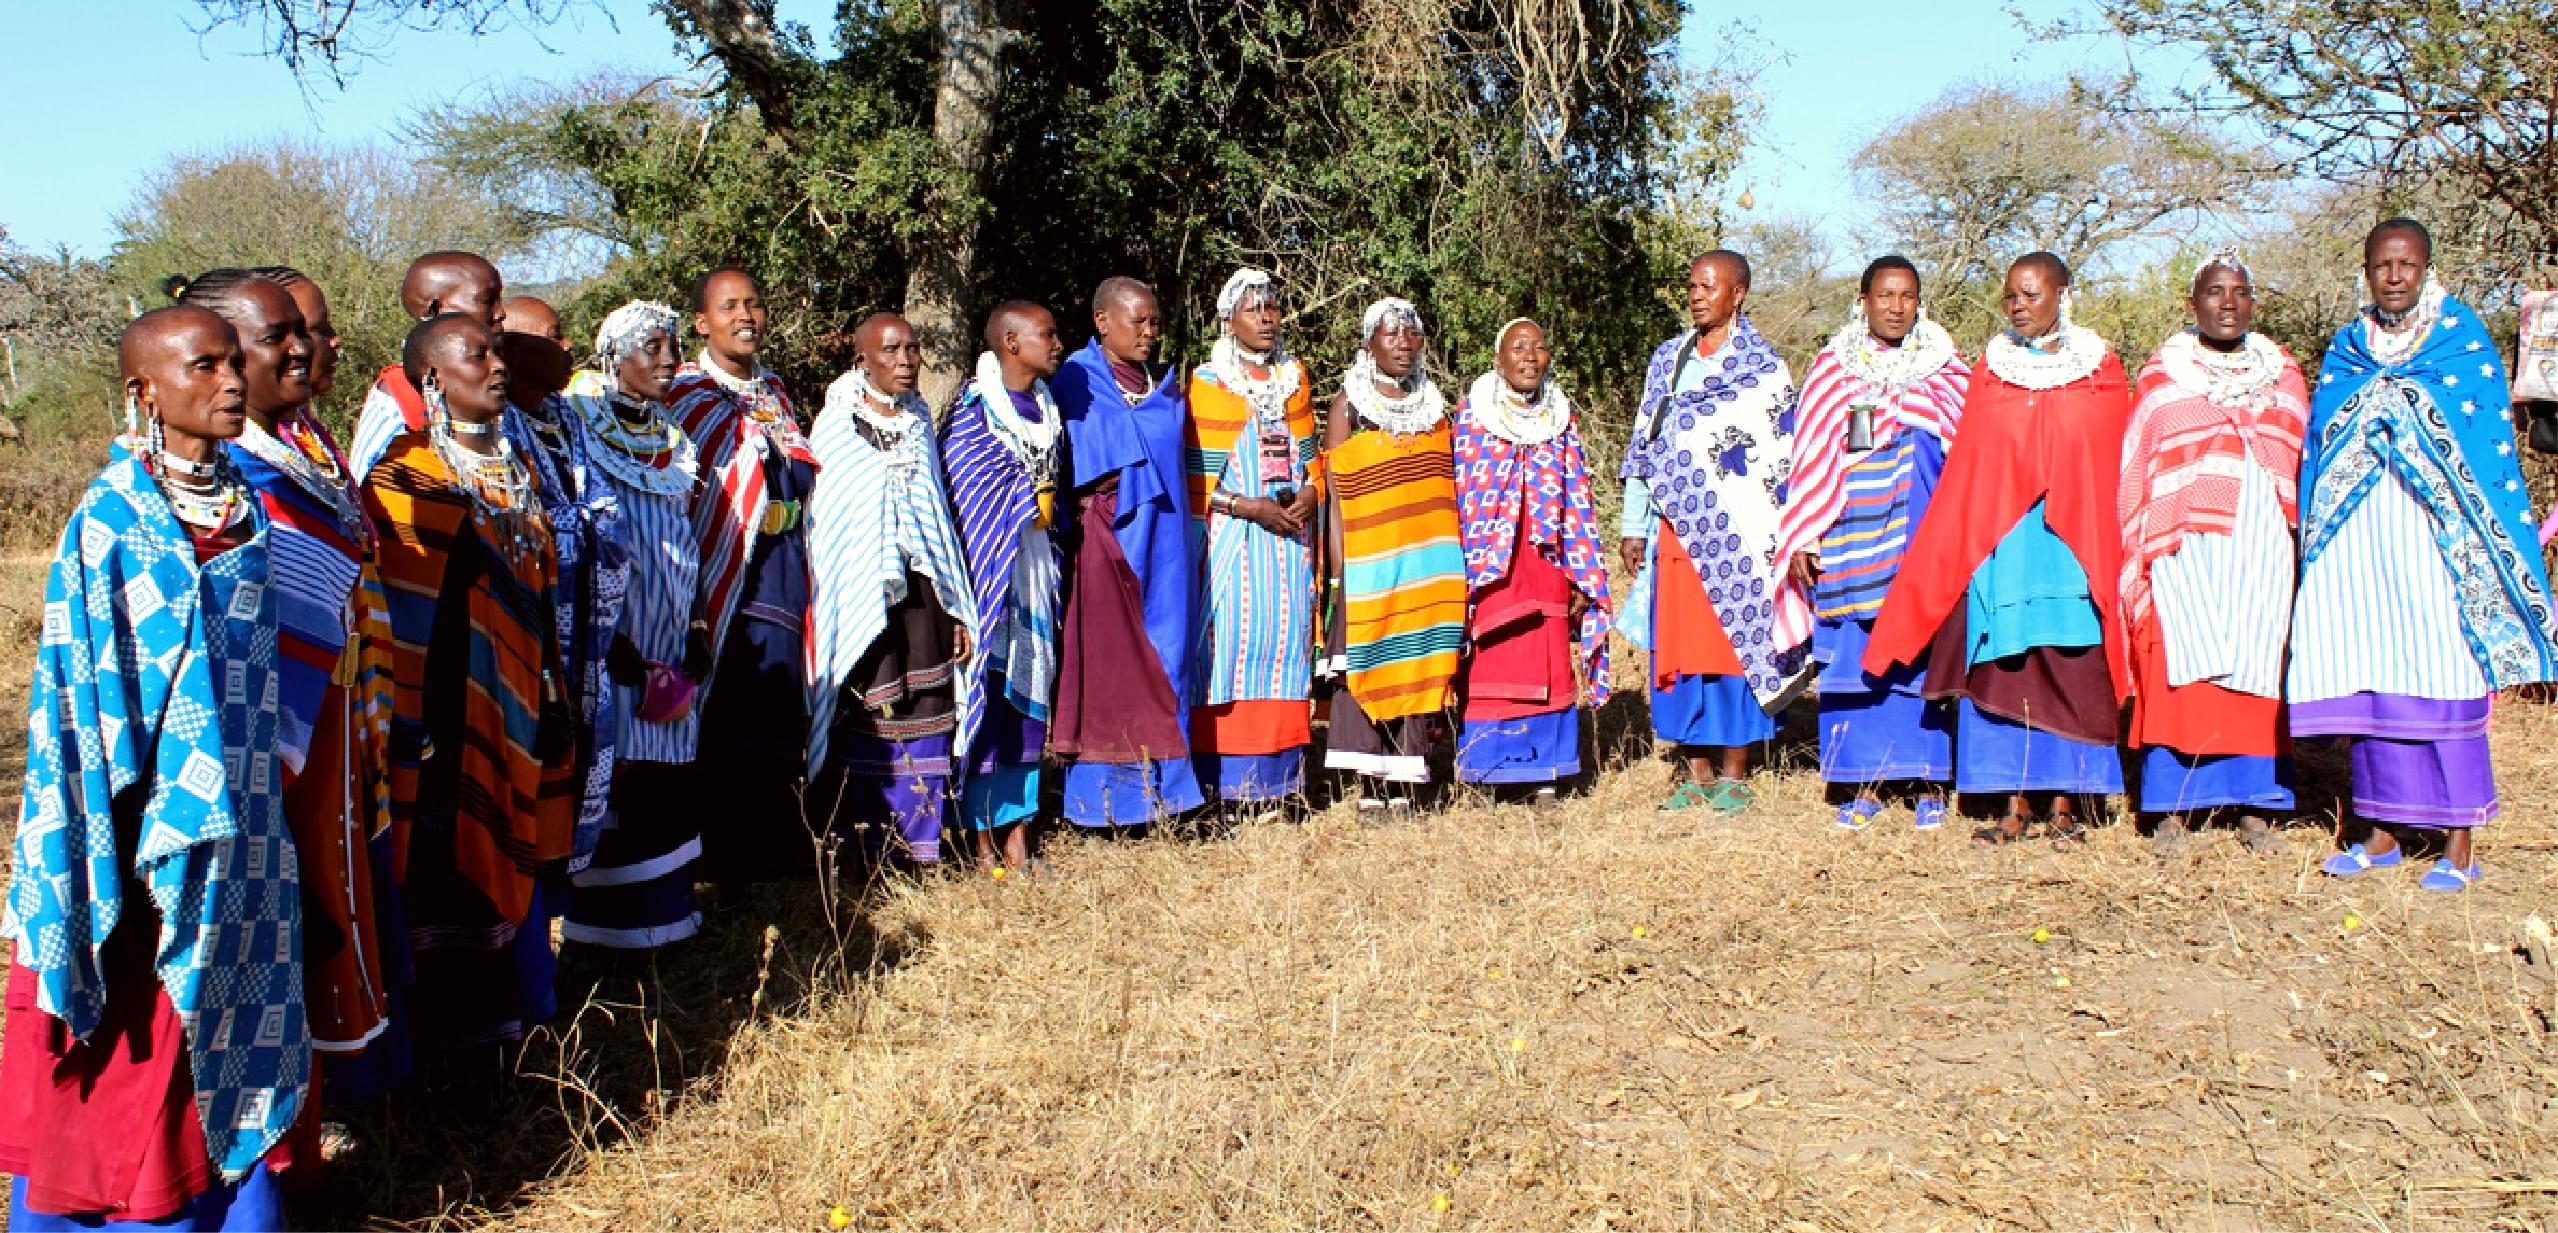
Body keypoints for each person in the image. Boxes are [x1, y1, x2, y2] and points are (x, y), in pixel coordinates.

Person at [1, 306, 301, 1230]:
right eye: (201, 367)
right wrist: (122, 854)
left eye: (232, 362)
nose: (231, 381)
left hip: (242, 843)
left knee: (238, 1037)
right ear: (145, 393)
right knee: (135, 1059)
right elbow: (81, 708)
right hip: (136, 851)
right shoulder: (113, 523)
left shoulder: (242, 509)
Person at [177, 271, 399, 1074]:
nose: (306, 348)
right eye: (282, 336)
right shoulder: (216, 484)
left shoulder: (300, 451)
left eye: (308, 331)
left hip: (332, 715)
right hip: (268, 744)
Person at [2297, 219, 2558, 892]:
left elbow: (2478, 437)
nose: (2393, 277)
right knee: (2376, 673)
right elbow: (2325, 437)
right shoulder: (2349, 346)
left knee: (2442, 672)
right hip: (2366, 534)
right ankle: (2379, 832)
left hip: (2438, 536)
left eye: (2406, 264)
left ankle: (2458, 843)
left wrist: (2403, 401)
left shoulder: (2458, 339)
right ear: (2365, 270)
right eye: (2382, 265)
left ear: (2426, 268)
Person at [1863, 252, 2132, 846]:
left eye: (2032, 294)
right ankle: (2012, 803)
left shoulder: (2100, 370)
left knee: (2071, 663)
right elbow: (1973, 464)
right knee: (2006, 664)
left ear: (2063, 294)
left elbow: (2112, 456)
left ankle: (2066, 804)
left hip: (2072, 549)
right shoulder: (1993, 369)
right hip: (2006, 545)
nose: (2019, 305)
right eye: (2011, 295)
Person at [365, 314, 578, 1050]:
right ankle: (451, 1040)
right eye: (478, 355)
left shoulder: (514, 463)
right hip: (446, 718)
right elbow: (402, 616)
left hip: (519, 698)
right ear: (432, 378)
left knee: (514, 840)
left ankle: (521, 1014)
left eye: (499, 354)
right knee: (450, 862)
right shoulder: (402, 476)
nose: (498, 367)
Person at [2119, 248, 2307, 857]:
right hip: (2183, 541)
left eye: (2239, 293)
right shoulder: (2163, 374)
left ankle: (2258, 804)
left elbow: (2299, 454)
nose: (2228, 303)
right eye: (2215, 292)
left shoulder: (2283, 373)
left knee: (2258, 662)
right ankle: (2172, 808)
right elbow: (2139, 464)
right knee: (2179, 661)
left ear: (2254, 303)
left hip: (2261, 540)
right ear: (2192, 303)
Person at [1772, 256, 1970, 831]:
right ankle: (1861, 784)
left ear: (1919, 302)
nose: (1895, 306)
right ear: (1863, 300)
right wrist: (1806, 532)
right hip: (1850, 532)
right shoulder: (1834, 367)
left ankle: (1929, 781)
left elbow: (1966, 447)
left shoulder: (1945, 367)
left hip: (1918, 530)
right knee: (1856, 654)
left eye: (1907, 296)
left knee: (1919, 648)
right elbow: (1810, 452)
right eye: (1884, 295)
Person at [1620, 251, 1807, 815]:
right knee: (1680, 648)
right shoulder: (1668, 361)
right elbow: (1645, 444)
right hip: (1676, 533)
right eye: (1692, 286)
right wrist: (1634, 524)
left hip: (1742, 540)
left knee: (1733, 649)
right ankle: (1694, 770)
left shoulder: (1764, 368)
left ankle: (1734, 772)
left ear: (1738, 293)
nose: (1697, 296)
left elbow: (1782, 455)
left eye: (1709, 286)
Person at [559, 302, 710, 949]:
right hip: (612, 647)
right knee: (619, 775)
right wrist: (606, 638)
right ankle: (610, 938)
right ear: (614, 355)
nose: (670, 358)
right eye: (653, 346)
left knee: (668, 778)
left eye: (673, 345)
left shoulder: (673, 436)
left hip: (670, 645)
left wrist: (697, 624)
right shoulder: (578, 423)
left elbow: (685, 531)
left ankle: (670, 923)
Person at [806, 313, 979, 867]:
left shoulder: (920, 419)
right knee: (871, 715)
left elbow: (936, 516)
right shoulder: (834, 426)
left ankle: (923, 841)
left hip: (925, 596)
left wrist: (954, 609)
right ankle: (863, 843)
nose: (906, 360)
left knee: (930, 709)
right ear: (863, 360)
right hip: (865, 601)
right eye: (891, 351)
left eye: (912, 348)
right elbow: (833, 523)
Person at [666, 267, 822, 880]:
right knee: (727, 704)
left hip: (781, 570)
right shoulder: (687, 396)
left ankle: (773, 844)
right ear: (703, 323)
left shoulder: (773, 393)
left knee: (778, 700)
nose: (745, 316)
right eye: (729, 306)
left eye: (753, 303)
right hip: (722, 571)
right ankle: (718, 852)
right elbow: (689, 493)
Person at [1048, 277, 1206, 829]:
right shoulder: (1075, 381)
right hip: (1104, 540)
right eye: (1137, 320)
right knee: (1112, 669)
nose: (1148, 331)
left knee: (1168, 658)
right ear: (1102, 321)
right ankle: (1106, 804)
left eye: (1154, 322)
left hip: (1165, 545)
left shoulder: (1164, 390)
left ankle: (1165, 798)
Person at [1451, 318, 1612, 805]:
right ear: (1498, 359)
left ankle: (1545, 771)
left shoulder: (1561, 420)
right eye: (1517, 348)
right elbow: (1459, 497)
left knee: (1546, 661)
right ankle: (1487, 768)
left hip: (1546, 561)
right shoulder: (1471, 416)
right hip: (1489, 564)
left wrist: (1583, 572)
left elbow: (1578, 497)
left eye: (1538, 347)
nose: (1529, 356)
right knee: (1490, 659)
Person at [1185, 269, 1322, 819]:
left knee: (1285, 653)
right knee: (1226, 656)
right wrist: (1247, 507)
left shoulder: (1296, 379)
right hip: (1232, 543)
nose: (1266, 317)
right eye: (1253, 308)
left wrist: (1312, 492)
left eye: (1272, 307)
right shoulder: (1207, 383)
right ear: (1228, 319)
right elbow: (1193, 478)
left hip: (1290, 546)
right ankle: (1228, 789)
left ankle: (1282, 785)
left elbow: (1314, 459)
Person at [1323, 297, 1465, 809]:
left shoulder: (1433, 406)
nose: (1404, 344)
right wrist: (1342, 576)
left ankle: (1405, 782)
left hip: (1426, 568)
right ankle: (1368, 787)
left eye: (1412, 334)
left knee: (1415, 663)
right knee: (1368, 662)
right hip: (1369, 567)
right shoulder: (1350, 407)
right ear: (1368, 344)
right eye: (1391, 334)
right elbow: (1337, 500)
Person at [943, 302, 1067, 873]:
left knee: (1028, 703)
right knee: (989, 699)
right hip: (990, 571)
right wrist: (1025, 498)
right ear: (1012, 343)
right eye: (1047, 334)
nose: (1057, 342)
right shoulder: (975, 412)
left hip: (1035, 569)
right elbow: (968, 492)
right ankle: (980, 840)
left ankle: (1019, 830)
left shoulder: (1046, 407)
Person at [347, 251, 508, 477]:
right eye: (487, 301)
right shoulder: (397, 403)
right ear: (433, 310)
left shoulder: (493, 381)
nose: (501, 313)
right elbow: (367, 496)